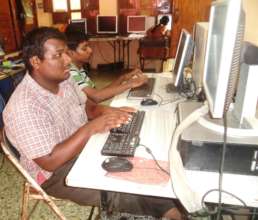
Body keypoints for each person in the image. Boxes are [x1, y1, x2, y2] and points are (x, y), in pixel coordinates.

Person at [3, 27, 182, 219]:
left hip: (82, 148)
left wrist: (110, 113)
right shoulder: (24, 105)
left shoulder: (64, 79)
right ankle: (168, 212)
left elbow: (88, 107)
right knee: (125, 186)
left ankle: (172, 210)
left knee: (143, 162)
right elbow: (49, 161)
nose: (67, 60)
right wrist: (91, 128)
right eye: (58, 55)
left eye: (66, 53)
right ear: (36, 61)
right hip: (55, 174)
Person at [65, 26, 147, 103]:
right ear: (70, 52)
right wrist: (130, 84)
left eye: (89, 46)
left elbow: (99, 93)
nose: (90, 50)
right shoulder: (71, 72)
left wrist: (123, 78)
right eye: (84, 48)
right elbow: (96, 97)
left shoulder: (79, 69)